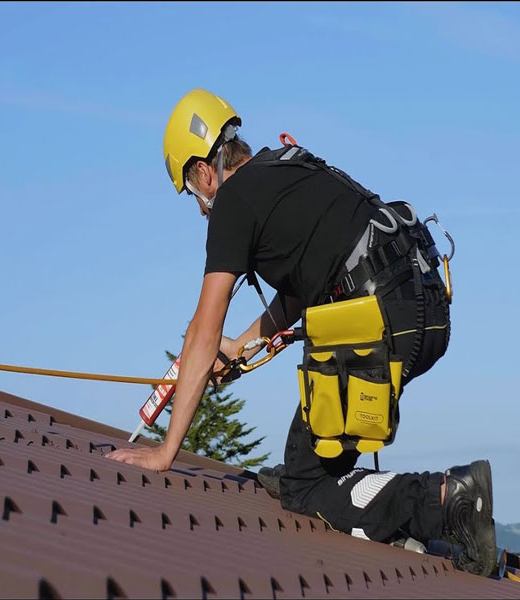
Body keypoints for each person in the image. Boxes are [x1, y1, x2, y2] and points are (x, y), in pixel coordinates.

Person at [107, 89, 497, 576]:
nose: (201, 208)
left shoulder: (232, 203)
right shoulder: (287, 166)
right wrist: (243, 347)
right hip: (421, 307)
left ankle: (448, 502)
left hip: (377, 321)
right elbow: (298, 292)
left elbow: (201, 332)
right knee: (313, 464)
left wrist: (166, 452)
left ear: (203, 170)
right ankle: (418, 528)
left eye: (193, 192)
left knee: (302, 487)